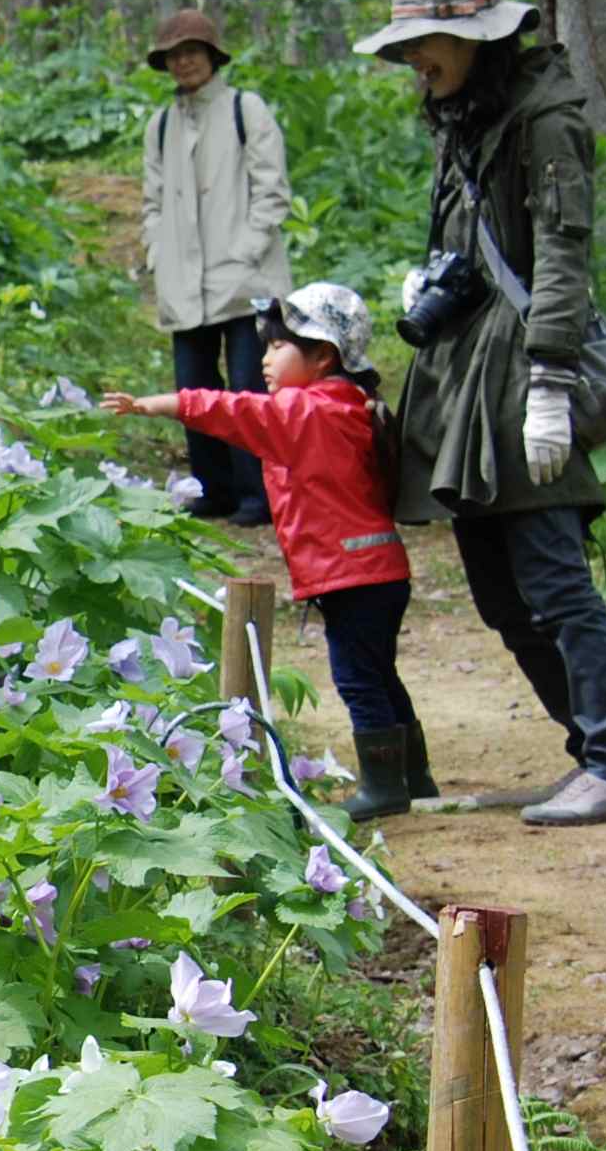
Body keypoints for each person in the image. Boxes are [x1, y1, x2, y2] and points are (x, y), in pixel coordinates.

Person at [354, 0, 606, 828]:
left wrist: (553, 379)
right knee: (497, 593)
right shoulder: (464, 118)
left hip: (525, 371)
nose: (416, 62)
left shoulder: (545, 120)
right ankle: (586, 753)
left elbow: (563, 256)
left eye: (427, 45)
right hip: (466, 376)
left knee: (556, 583)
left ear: (472, 37)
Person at [101, 283, 428, 820]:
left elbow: (233, 412)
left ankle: (385, 787)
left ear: (323, 356)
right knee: (380, 672)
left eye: (279, 347)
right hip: (378, 567)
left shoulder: (304, 412)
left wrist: (160, 405)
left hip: (350, 572)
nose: (266, 358)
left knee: (358, 677)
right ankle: (414, 776)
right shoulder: (343, 406)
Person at [136, 9, 293, 527]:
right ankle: (213, 488)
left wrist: (245, 248)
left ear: (211, 55)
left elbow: (272, 191)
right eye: (174, 55)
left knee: (249, 388)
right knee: (194, 387)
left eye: (192, 52)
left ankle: (259, 493)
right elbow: (152, 199)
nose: (184, 62)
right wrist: (158, 251)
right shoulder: (160, 127)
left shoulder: (247, 110)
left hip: (247, 276)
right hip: (183, 281)